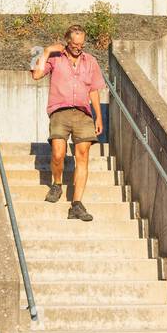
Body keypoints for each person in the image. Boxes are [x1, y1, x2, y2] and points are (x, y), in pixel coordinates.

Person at [31, 25, 104, 222]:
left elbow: (94, 90)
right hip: (60, 111)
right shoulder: (55, 57)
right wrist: (45, 51)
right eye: (74, 44)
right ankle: (57, 184)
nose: (78, 47)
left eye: (81, 44)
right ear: (66, 41)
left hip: (83, 114)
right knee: (58, 153)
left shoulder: (91, 61)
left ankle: (77, 204)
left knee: (82, 156)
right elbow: (35, 74)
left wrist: (99, 116)